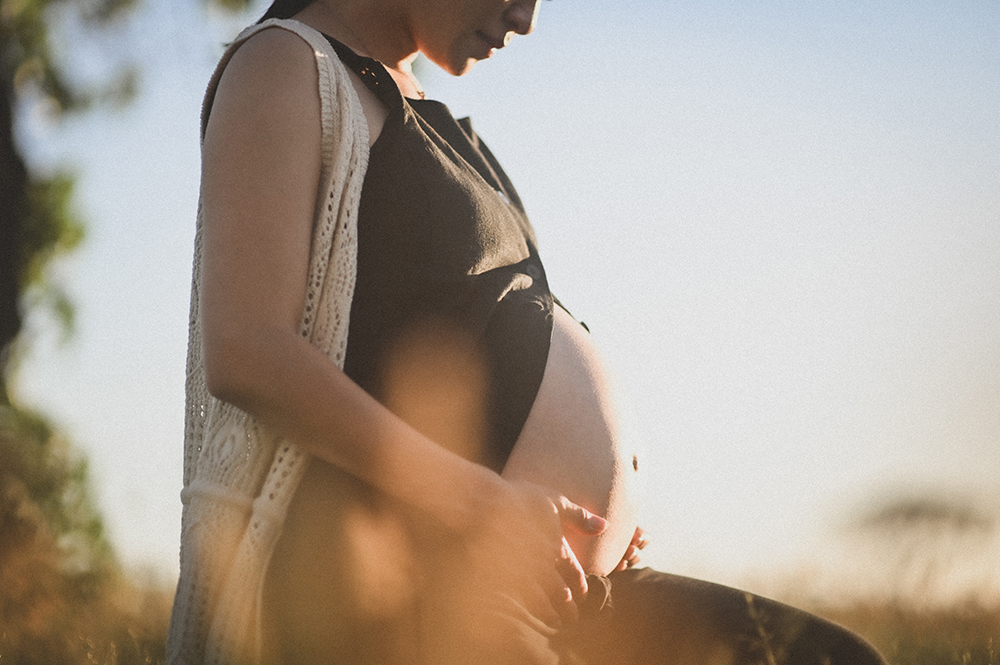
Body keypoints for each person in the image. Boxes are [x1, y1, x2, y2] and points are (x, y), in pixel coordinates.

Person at [166, 1, 888, 664]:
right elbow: (249, 351)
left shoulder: (435, 118)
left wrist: (602, 515)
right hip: (435, 588)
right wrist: (479, 503)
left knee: (836, 659)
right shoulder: (286, 63)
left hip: (569, 585)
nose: (526, 18)